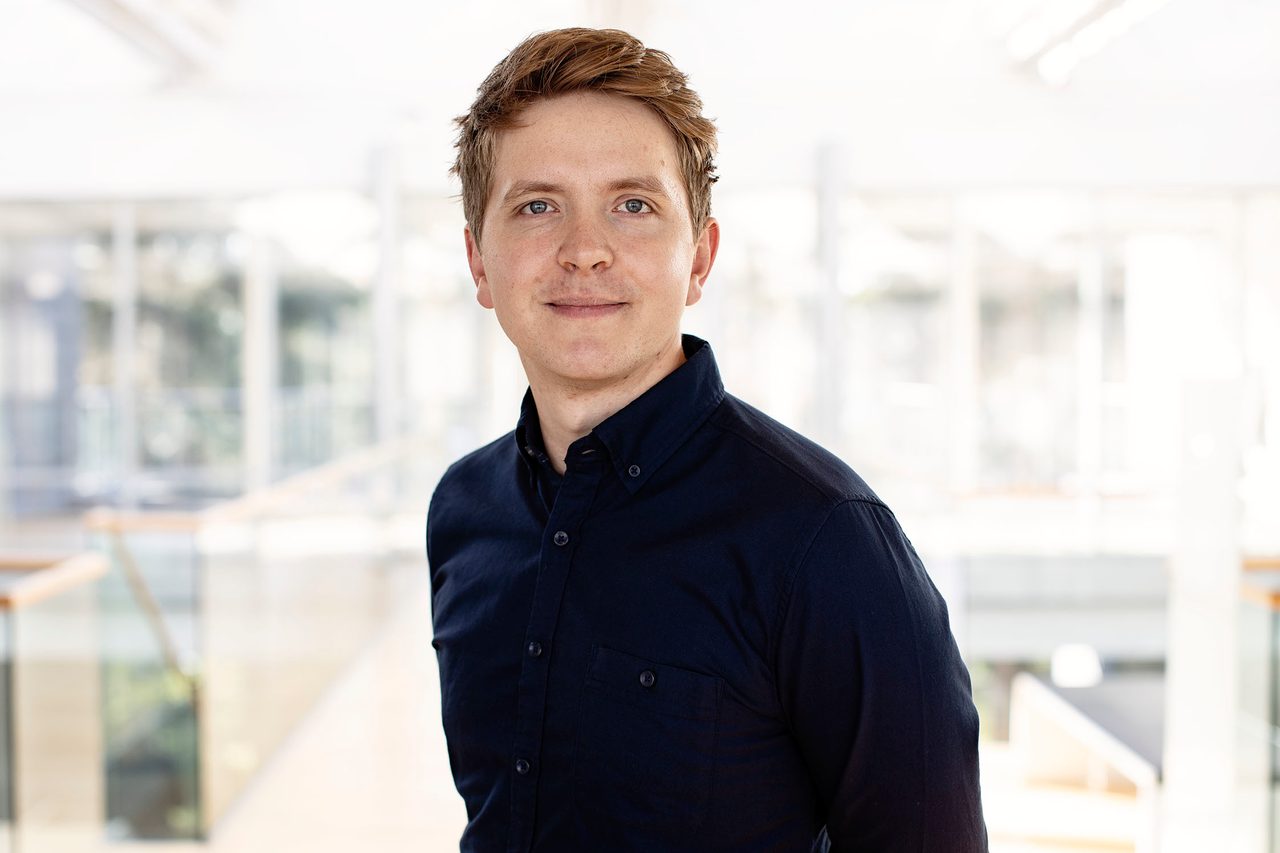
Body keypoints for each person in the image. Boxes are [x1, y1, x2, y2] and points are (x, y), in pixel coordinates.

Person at [426, 27, 987, 852]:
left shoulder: (826, 541)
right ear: (479, 261)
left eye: (634, 205)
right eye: (537, 206)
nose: (585, 251)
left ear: (700, 259)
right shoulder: (463, 512)